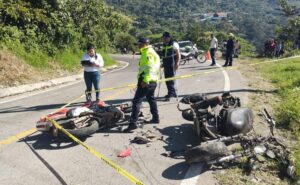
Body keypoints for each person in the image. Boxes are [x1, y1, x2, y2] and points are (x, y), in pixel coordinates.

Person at [124, 37, 161, 132]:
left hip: (146, 81)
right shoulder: (149, 51)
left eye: (139, 44)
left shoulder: (148, 53)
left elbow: (150, 67)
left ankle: (133, 124)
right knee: (151, 99)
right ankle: (156, 118)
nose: (138, 46)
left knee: (136, 102)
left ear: (144, 44)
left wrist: (145, 80)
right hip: (152, 81)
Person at [161, 32, 181, 101]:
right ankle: (171, 92)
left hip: (172, 64)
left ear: (169, 37)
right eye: (163, 38)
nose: (164, 39)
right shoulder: (164, 44)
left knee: (171, 79)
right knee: (167, 80)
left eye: (165, 38)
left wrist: (177, 63)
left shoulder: (174, 44)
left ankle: (172, 93)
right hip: (166, 64)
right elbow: (164, 55)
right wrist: (163, 63)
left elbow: (178, 54)